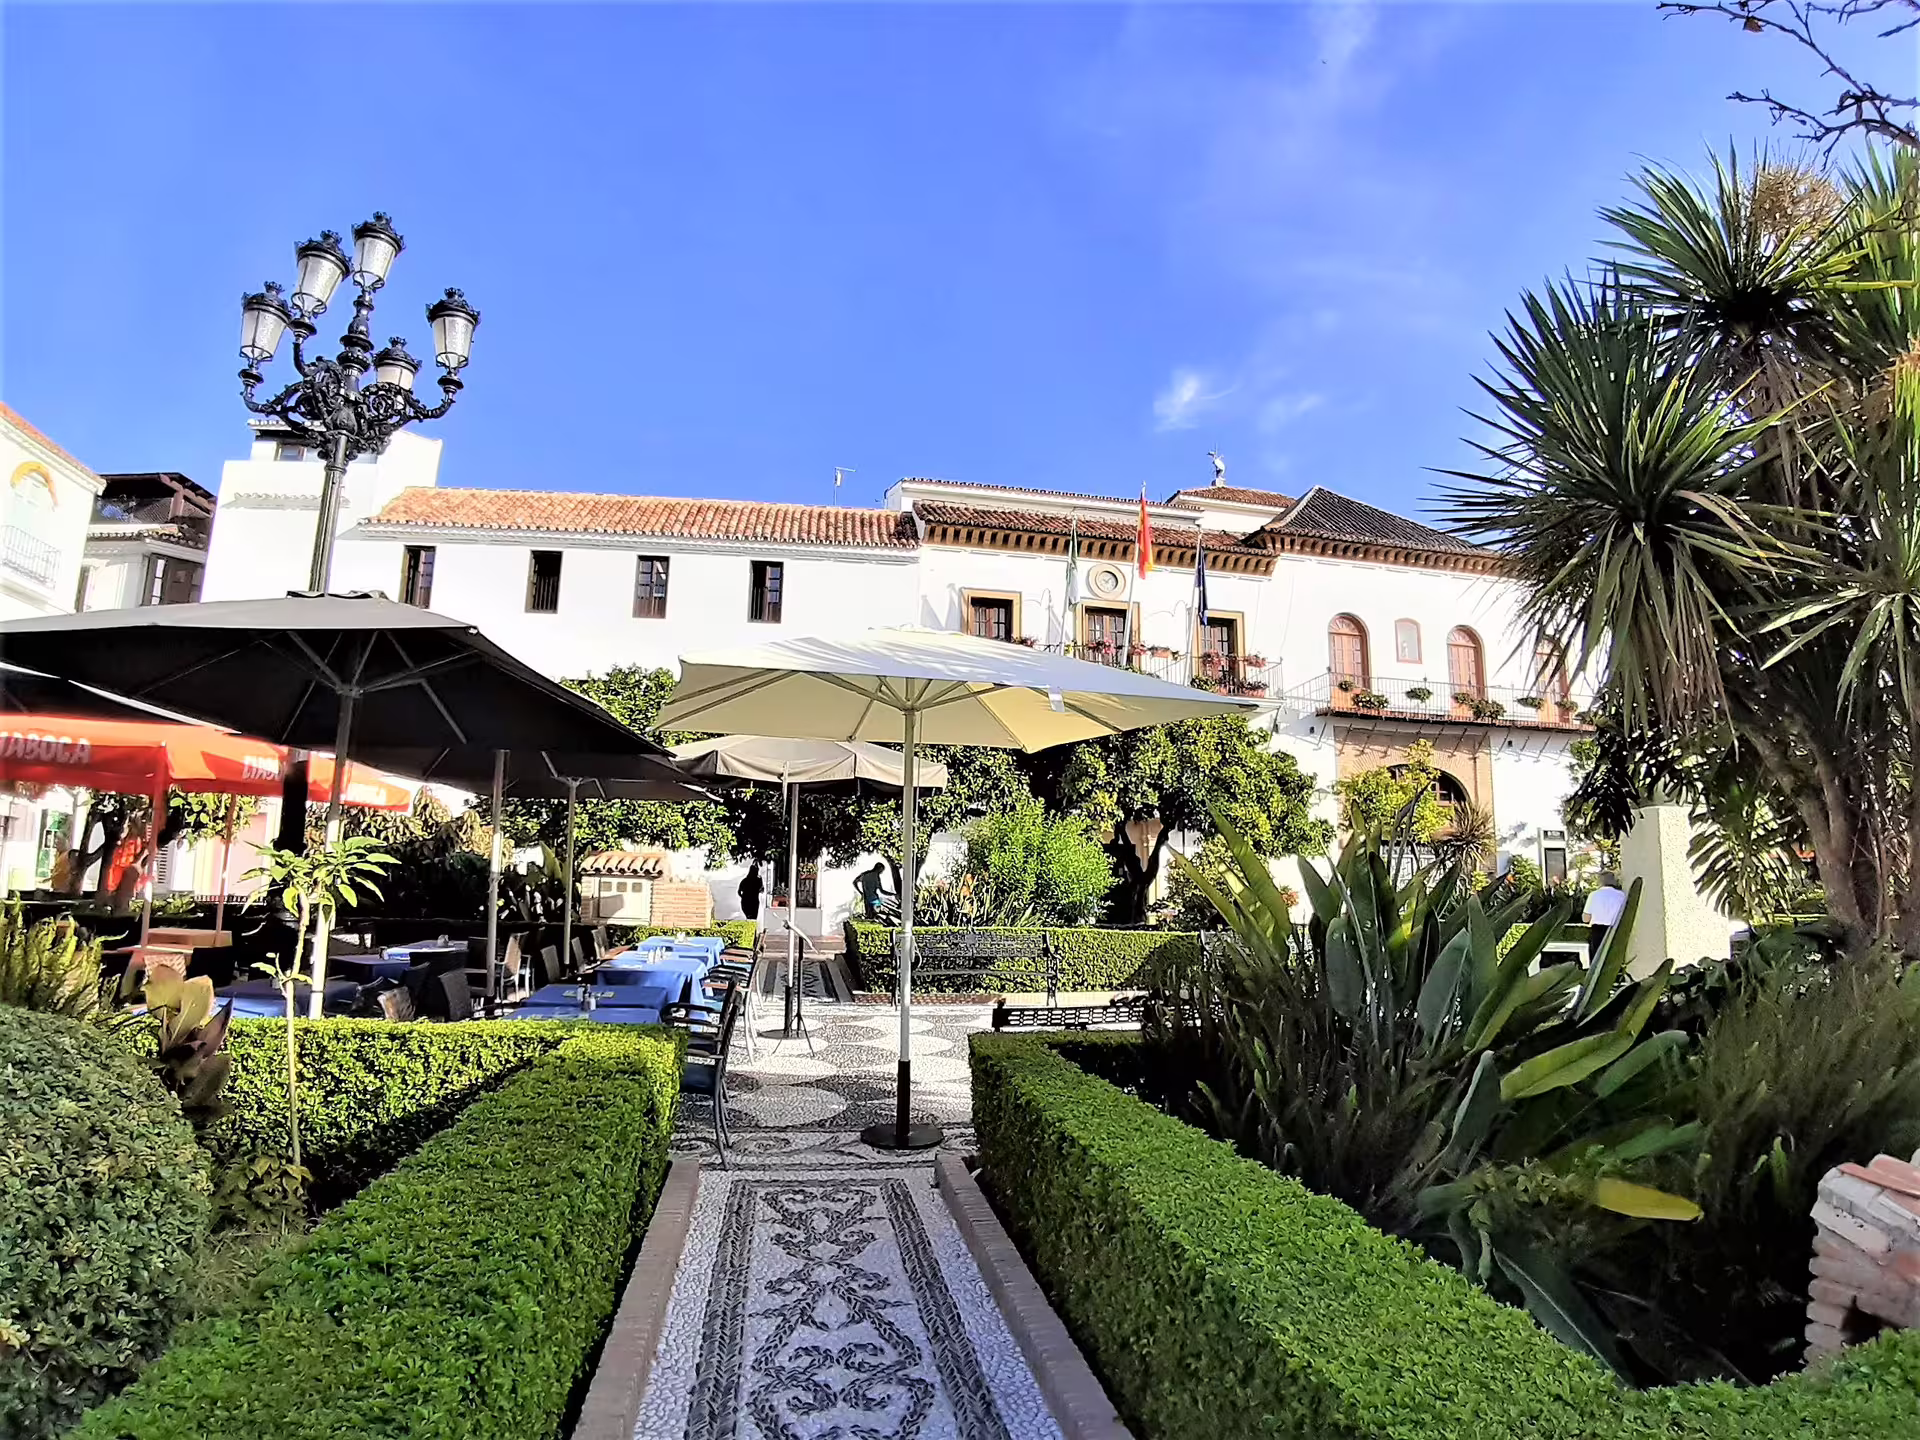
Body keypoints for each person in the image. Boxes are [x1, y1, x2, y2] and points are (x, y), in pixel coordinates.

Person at [1584, 872, 1627, 959]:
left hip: (1598, 930)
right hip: (1616, 930)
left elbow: (1586, 918)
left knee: (1597, 958)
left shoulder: (1593, 895)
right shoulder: (1622, 895)